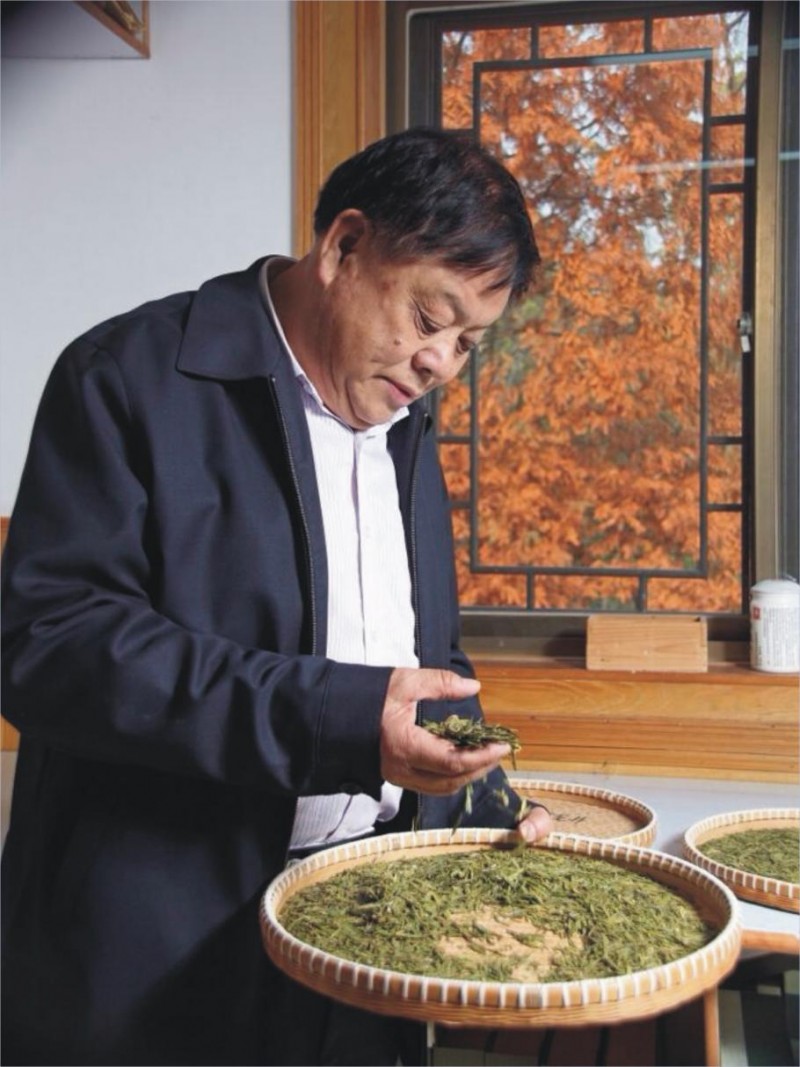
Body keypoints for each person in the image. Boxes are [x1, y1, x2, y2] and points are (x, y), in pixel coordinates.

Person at [1, 127, 551, 1066]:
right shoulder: (126, 375)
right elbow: (50, 647)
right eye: (430, 317)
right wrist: (339, 718)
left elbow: (422, 661)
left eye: (468, 342)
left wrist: (485, 798)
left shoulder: (403, 421)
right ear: (344, 247)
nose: (441, 364)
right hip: (154, 969)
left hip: (359, 940)